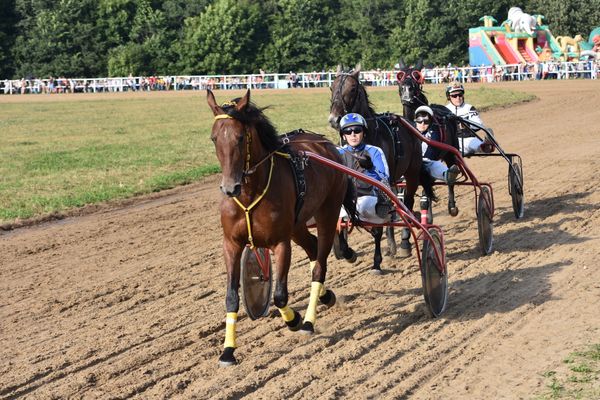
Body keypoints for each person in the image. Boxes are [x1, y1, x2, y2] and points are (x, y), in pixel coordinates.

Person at [337, 112, 392, 223]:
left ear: (364, 133)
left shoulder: (375, 151)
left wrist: (370, 168)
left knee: (361, 206)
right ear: (343, 135)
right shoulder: (337, 153)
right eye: (348, 131)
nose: (353, 134)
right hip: (345, 197)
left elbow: (384, 178)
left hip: (369, 195)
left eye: (357, 130)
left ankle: (384, 207)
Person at [413, 106, 459, 185]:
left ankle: (446, 174)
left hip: (425, 161)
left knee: (430, 163)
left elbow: (431, 152)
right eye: (419, 121)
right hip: (411, 162)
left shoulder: (434, 132)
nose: (422, 124)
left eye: (426, 121)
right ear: (415, 121)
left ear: (430, 121)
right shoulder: (410, 131)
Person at [445, 82, 494, 155]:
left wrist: (466, 124)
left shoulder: (469, 108)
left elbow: (478, 124)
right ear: (449, 97)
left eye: (460, 95)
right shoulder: (444, 110)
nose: (458, 98)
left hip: (468, 138)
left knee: (473, 143)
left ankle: (486, 146)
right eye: (454, 96)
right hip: (452, 140)